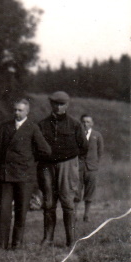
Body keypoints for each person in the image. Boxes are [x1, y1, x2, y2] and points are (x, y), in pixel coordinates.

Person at [0, 99, 51, 249]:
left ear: (27, 112)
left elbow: (46, 150)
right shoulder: (5, 127)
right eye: (15, 110)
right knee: (3, 210)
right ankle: (2, 244)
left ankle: (17, 243)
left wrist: (30, 159)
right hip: (6, 175)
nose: (17, 113)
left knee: (21, 210)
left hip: (25, 176)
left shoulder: (32, 128)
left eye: (20, 110)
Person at [37, 91, 88, 247]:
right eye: (55, 104)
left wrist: (72, 163)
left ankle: (70, 240)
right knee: (48, 202)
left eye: (62, 104)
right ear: (51, 104)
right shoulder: (42, 124)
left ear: (67, 105)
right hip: (47, 166)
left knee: (68, 203)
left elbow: (84, 147)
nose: (58, 107)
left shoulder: (75, 124)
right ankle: (48, 239)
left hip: (67, 166)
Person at [78, 114, 103, 221]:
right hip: (78, 167)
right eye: (83, 122)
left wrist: (95, 164)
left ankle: (86, 215)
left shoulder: (97, 135)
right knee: (76, 191)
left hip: (92, 168)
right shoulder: (77, 134)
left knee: (90, 191)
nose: (85, 124)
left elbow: (100, 152)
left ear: (92, 123)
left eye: (88, 122)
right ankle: (73, 215)